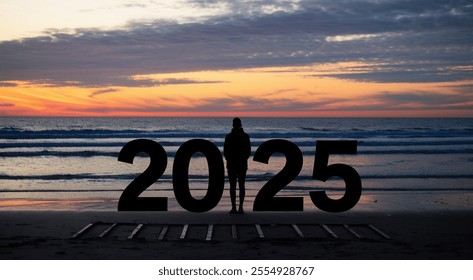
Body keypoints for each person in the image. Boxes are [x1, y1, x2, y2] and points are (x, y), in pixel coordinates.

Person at [224, 118, 251, 214]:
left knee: (233, 186)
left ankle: (235, 207)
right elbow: (248, 152)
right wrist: (242, 159)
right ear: (240, 124)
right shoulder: (245, 136)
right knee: (241, 186)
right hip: (241, 164)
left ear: (233, 125)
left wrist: (230, 159)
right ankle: (239, 207)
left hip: (233, 164)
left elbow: (225, 152)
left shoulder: (229, 137)